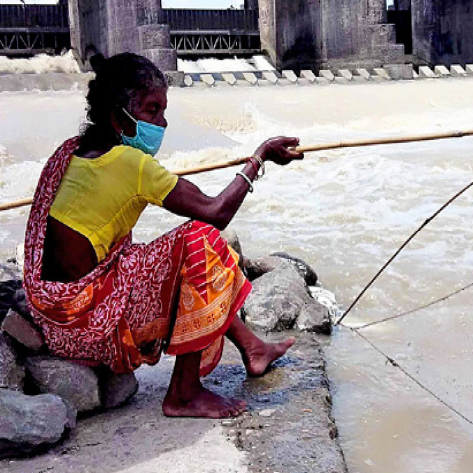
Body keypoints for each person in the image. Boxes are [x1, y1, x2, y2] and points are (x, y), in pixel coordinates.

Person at [22, 52, 303, 418]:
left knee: (173, 260)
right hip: (91, 328)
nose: (162, 123)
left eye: (163, 111)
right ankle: (184, 394)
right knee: (201, 244)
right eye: (152, 111)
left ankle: (253, 348)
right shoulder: (132, 164)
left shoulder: (69, 153)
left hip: (54, 319)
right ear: (117, 113)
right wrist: (259, 158)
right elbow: (215, 213)